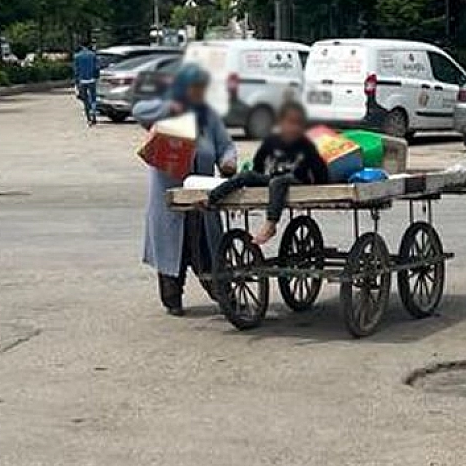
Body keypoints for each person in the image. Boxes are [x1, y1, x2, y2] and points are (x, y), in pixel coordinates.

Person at [134, 64, 238, 316]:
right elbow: (138, 110)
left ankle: (226, 298)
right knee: (172, 254)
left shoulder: (208, 116)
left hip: (202, 197)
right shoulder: (164, 109)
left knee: (208, 250)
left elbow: (225, 145)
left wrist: (227, 161)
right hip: (169, 199)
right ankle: (172, 298)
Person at [207, 101, 330, 246]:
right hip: (274, 179)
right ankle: (211, 199)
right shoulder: (271, 142)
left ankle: (271, 224)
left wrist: (317, 184)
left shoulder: (305, 145)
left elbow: (321, 172)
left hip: (297, 180)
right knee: (246, 176)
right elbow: (257, 167)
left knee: (278, 181)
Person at [72, 43, 100, 126]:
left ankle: (88, 119)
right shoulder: (93, 55)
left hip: (82, 80)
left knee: (85, 100)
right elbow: (97, 67)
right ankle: (94, 115)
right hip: (92, 80)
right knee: (93, 98)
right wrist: (96, 77)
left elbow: (76, 70)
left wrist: (76, 81)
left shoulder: (77, 56)